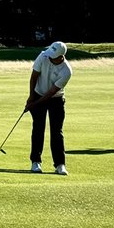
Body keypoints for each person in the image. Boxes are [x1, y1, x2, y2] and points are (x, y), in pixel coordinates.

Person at [26, 40, 72, 175]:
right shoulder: (43, 56)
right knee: (38, 129)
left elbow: (51, 92)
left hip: (56, 99)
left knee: (57, 132)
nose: (50, 57)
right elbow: (34, 76)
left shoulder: (66, 71)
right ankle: (35, 162)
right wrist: (31, 97)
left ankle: (60, 165)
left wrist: (34, 104)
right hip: (38, 92)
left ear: (60, 56)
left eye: (53, 56)